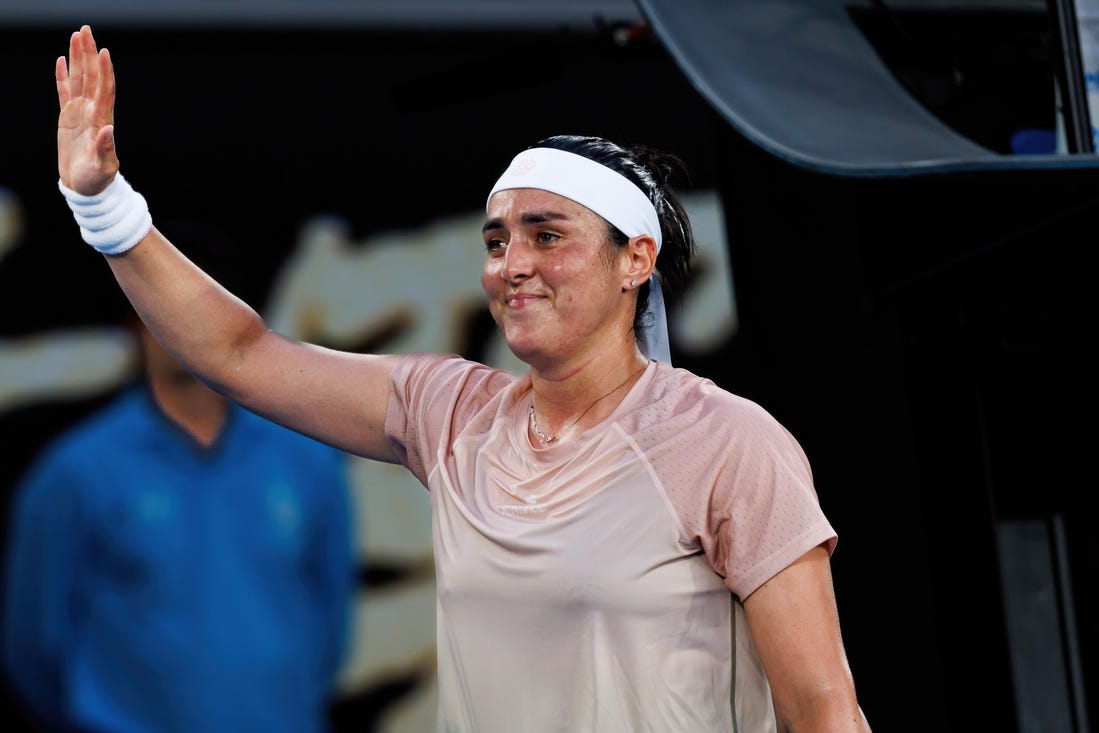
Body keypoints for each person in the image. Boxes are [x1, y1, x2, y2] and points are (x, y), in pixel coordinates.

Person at [50, 25, 871, 731]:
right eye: (495, 240)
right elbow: (243, 355)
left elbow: (823, 708)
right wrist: (106, 209)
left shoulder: (727, 442)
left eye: (547, 236)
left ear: (636, 260)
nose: (512, 264)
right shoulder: (452, 412)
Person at [2, 215, 356, 732]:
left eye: (205, 308)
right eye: (160, 307)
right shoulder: (77, 471)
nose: (184, 328)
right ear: (132, 322)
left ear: (242, 320)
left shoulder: (308, 457)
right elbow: (35, 647)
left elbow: (329, 625)